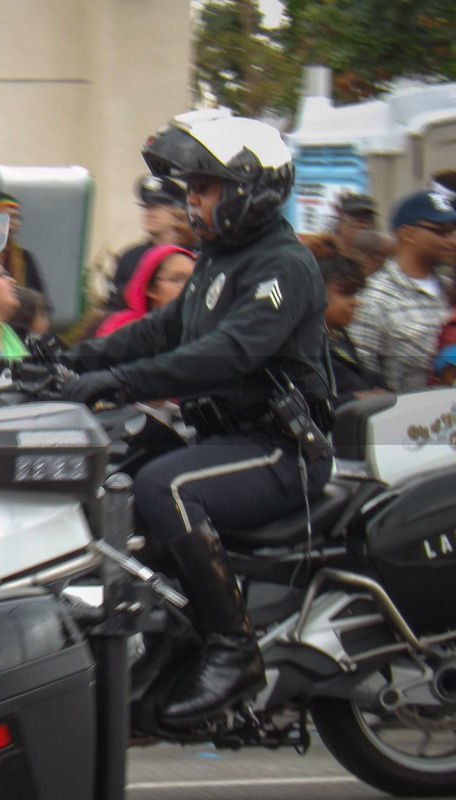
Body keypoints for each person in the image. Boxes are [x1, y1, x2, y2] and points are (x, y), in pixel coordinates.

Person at [63, 112, 333, 727]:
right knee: (119, 470)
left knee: (163, 487)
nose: (192, 201)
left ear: (248, 190)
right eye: (192, 188)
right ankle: (160, 641)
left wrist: (117, 381)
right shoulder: (219, 259)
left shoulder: (281, 264)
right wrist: (70, 356)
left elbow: (229, 351)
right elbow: (163, 329)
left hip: (281, 449)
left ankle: (233, 648)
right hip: (226, 436)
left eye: (205, 188)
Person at [347, 190, 456, 393]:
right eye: (441, 231)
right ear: (409, 234)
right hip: (411, 420)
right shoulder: (374, 298)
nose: (451, 240)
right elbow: (360, 380)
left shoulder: (449, 289)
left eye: (452, 231)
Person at [304, 234, 384, 405]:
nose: (356, 302)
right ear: (315, 291)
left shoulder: (339, 335)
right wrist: (352, 399)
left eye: (355, 293)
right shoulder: (302, 346)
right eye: (345, 293)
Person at [108, 175, 194, 311]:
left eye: (157, 207)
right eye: (147, 207)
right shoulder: (130, 258)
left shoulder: (194, 257)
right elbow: (113, 309)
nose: (150, 213)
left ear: (178, 211)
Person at [95, 244, 195, 337]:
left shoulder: (200, 327)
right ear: (150, 288)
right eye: (177, 279)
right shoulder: (123, 329)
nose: (189, 286)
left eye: (194, 279)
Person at [0, 191, 48, 300]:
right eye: (10, 216)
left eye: (17, 218)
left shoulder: (24, 258)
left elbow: (38, 298)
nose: (16, 223)